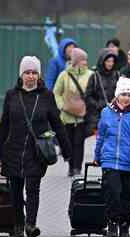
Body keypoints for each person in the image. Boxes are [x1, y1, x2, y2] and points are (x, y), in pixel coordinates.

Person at [0, 56, 72, 237]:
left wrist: (67, 150)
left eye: (34, 72)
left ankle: (30, 225)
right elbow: (4, 123)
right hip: (13, 149)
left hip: (36, 151)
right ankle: (18, 224)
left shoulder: (46, 96)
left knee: (33, 188)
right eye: (27, 72)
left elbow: (57, 124)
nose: (31, 76)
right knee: (15, 190)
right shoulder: (12, 95)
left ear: (39, 75)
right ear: (21, 75)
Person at [94, 77, 130, 237]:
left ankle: (125, 224)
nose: (126, 98)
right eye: (123, 94)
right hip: (109, 160)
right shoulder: (106, 112)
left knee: (127, 195)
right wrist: (98, 155)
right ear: (117, 94)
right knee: (113, 192)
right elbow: (101, 136)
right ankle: (112, 221)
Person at [53, 48, 93, 176]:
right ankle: (71, 166)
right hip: (67, 117)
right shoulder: (64, 75)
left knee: (79, 143)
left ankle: (77, 168)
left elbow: (94, 93)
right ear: (75, 61)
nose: (85, 62)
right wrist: (62, 106)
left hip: (82, 117)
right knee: (68, 143)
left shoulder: (90, 75)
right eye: (82, 60)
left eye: (86, 60)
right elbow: (56, 93)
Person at [85, 48, 120, 133]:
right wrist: (98, 104)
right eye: (108, 61)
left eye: (112, 61)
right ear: (102, 61)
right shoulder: (95, 77)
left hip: (115, 115)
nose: (110, 64)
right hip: (97, 117)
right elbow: (87, 96)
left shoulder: (117, 75)